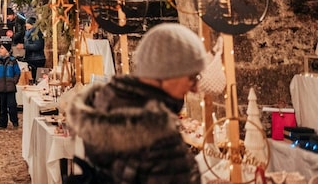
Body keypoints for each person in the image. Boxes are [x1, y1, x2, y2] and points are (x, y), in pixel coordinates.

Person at [65, 23, 207, 184]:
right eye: (192, 77)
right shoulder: (160, 140)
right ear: (167, 74)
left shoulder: (104, 104)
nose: (195, 88)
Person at [0, 42, 21, 129]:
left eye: (2, 48)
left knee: (12, 105)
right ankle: (2, 124)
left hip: (10, 87)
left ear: (7, 50)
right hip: (0, 87)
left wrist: (14, 81)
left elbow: (17, 72)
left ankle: (15, 122)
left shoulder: (13, 61)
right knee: (2, 106)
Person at [14, 16, 46, 82]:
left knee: (36, 78)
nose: (26, 25)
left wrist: (24, 46)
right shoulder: (28, 33)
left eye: (27, 23)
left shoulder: (36, 33)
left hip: (36, 59)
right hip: (30, 58)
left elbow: (38, 46)